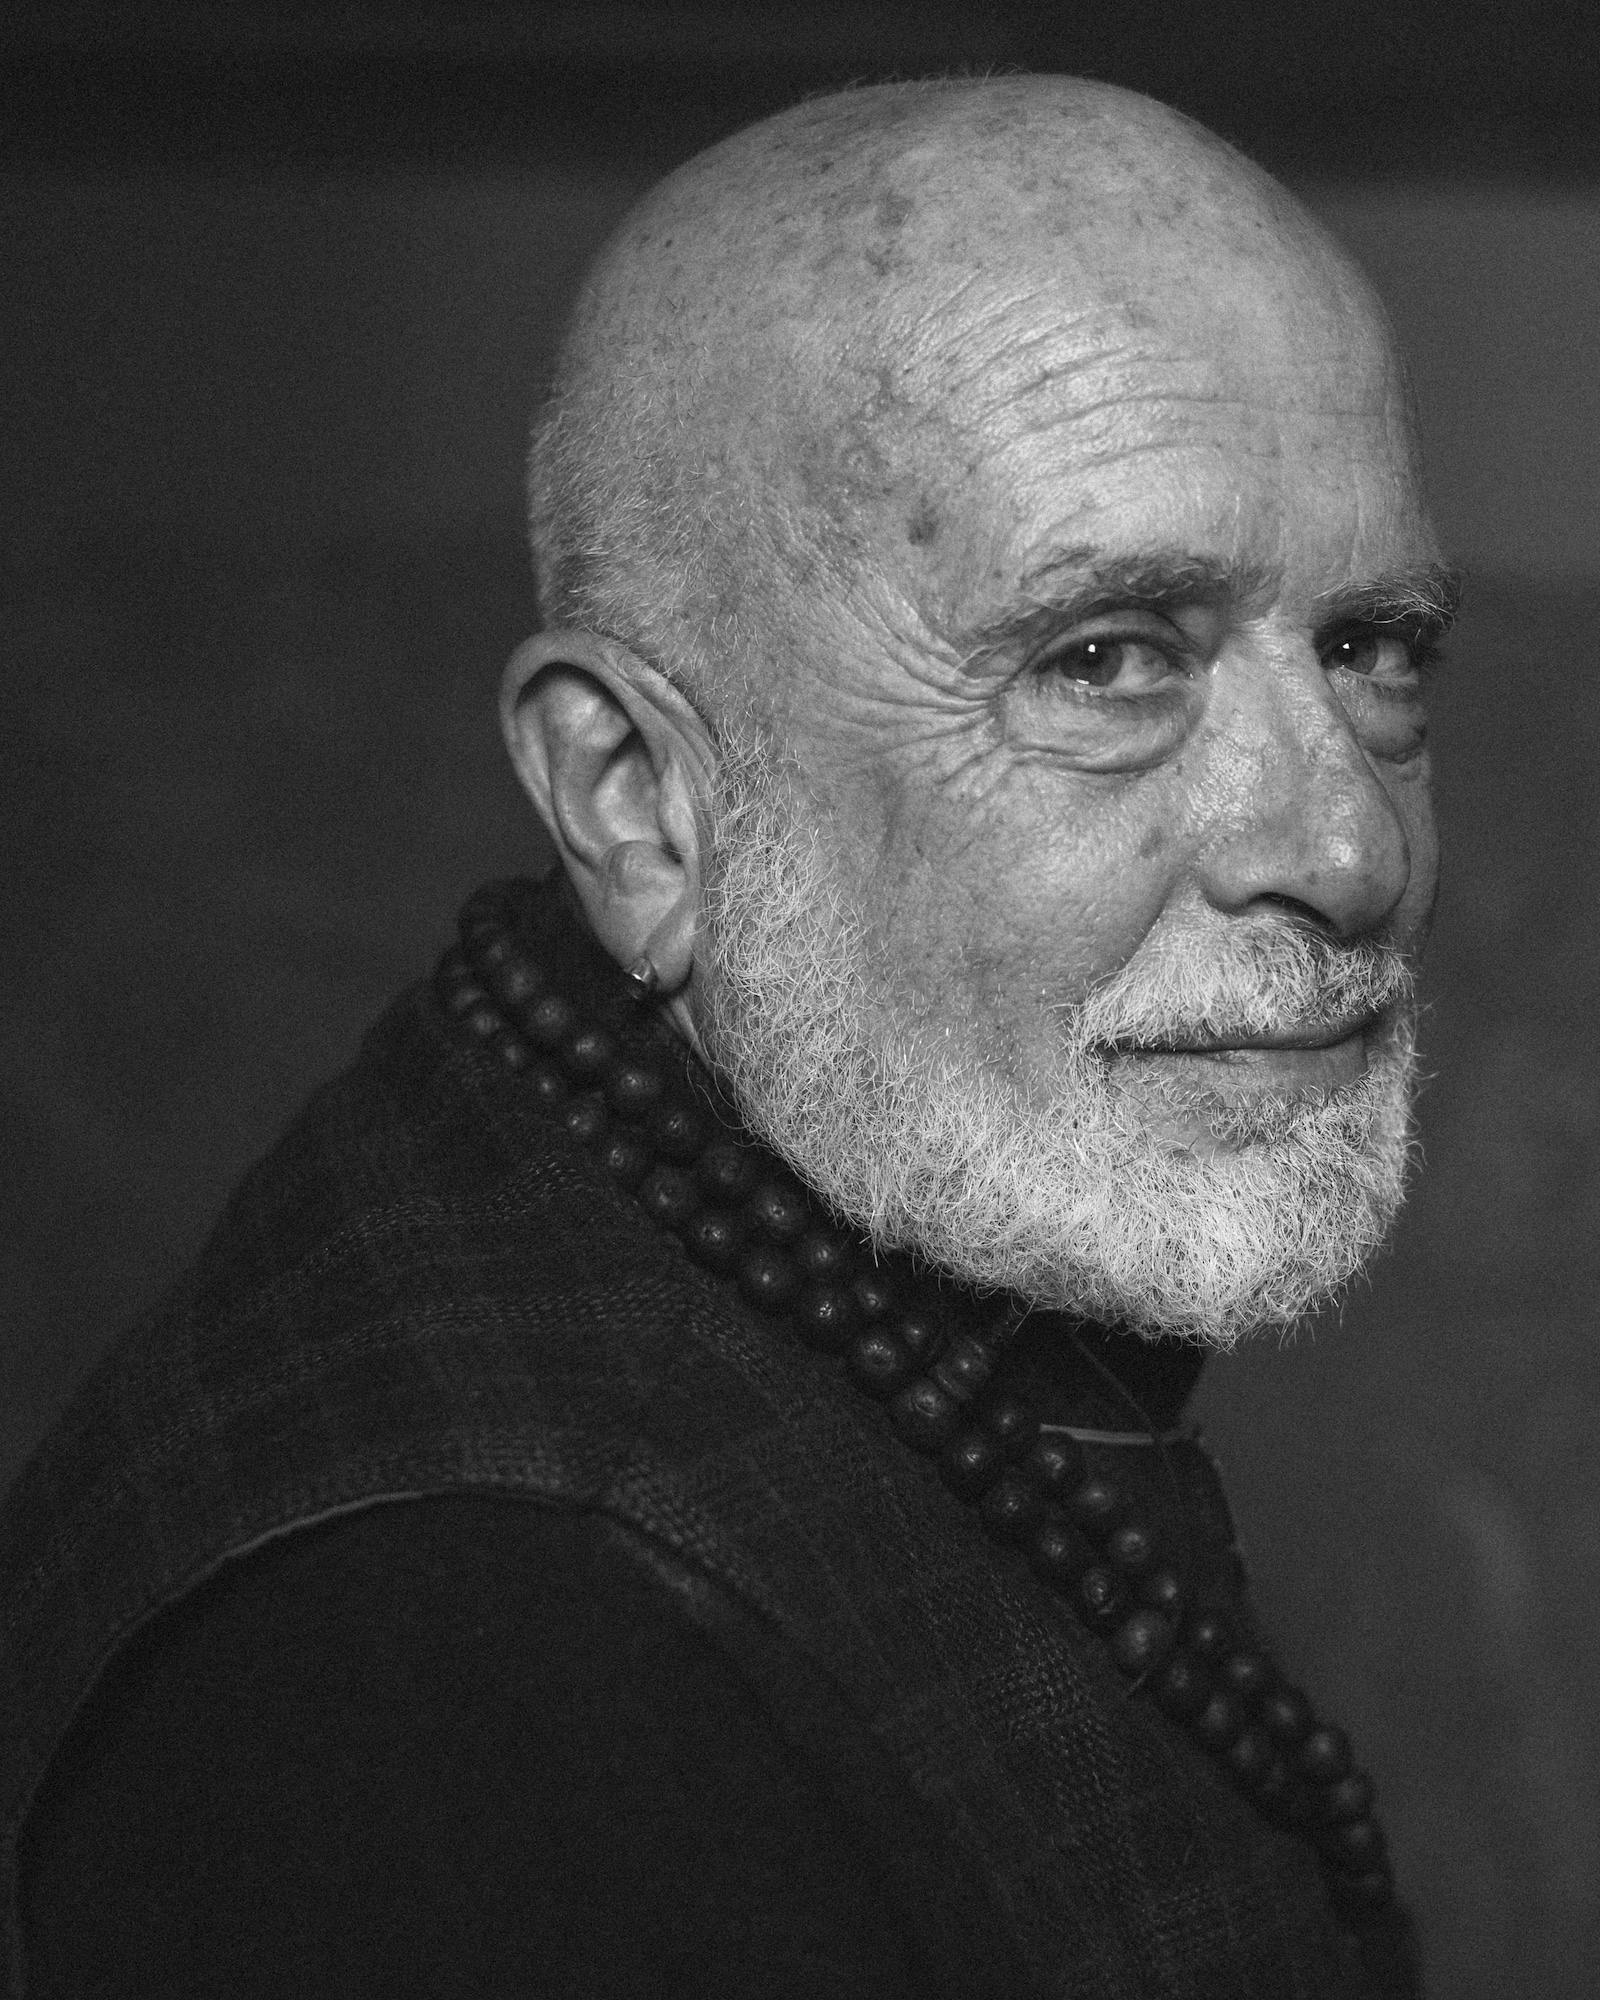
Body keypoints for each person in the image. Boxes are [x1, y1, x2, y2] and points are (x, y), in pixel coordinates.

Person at [0, 74, 1457, 1998]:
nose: (1348, 849)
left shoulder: (761, 1292)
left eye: (1373, 649)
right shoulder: (468, 1671)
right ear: (639, 803)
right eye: (1104, 660)